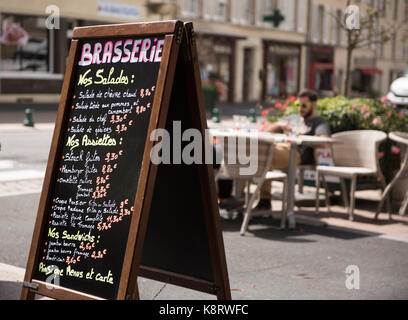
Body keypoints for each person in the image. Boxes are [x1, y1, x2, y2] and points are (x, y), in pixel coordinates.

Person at [256, 89, 331, 210]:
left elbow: (325, 142)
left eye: (304, 105)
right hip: (281, 147)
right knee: (257, 149)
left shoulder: (319, 122)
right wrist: (279, 125)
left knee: (265, 154)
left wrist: (300, 136)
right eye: (298, 104)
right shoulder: (294, 119)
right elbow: (263, 133)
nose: (300, 108)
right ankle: (232, 196)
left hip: (298, 153)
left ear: (314, 105)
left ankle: (264, 200)